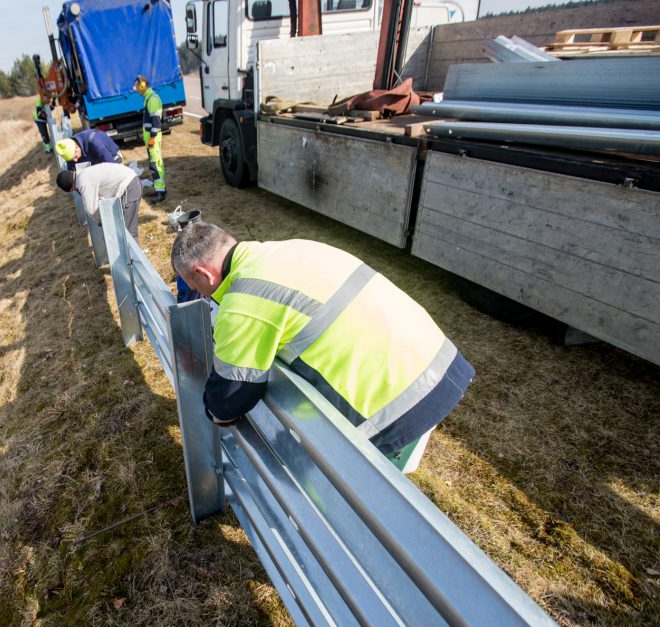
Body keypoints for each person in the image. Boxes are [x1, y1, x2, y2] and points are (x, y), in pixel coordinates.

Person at [170, 221, 475, 466]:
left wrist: (210, 407)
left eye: (195, 286)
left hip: (400, 400)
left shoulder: (243, 300)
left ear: (201, 273)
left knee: (358, 501)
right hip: (437, 358)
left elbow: (228, 401)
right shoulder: (291, 248)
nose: (203, 296)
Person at [56, 163, 141, 238]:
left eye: (73, 190)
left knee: (128, 232)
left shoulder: (83, 182)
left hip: (129, 186)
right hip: (129, 182)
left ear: (71, 187)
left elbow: (91, 210)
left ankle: (133, 256)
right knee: (123, 229)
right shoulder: (83, 174)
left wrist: (102, 222)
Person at [133, 75, 166, 204]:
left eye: (137, 86)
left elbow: (156, 122)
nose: (135, 89)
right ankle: (160, 189)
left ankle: (160, 193)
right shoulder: (148, 98)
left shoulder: (152, 99)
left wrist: (152, 137)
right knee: (155, 164)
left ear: (143, 85)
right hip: (151, 140)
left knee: (155, 165)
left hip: (153, 139)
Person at [55, 129, 124, 171]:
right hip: (95, 162)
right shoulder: (69, 150)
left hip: (112, 157)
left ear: (76, 147)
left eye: (75, 157)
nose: (75, 161)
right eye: (72, 160)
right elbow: (73, 173)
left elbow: (113, 166)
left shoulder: (94, 142)